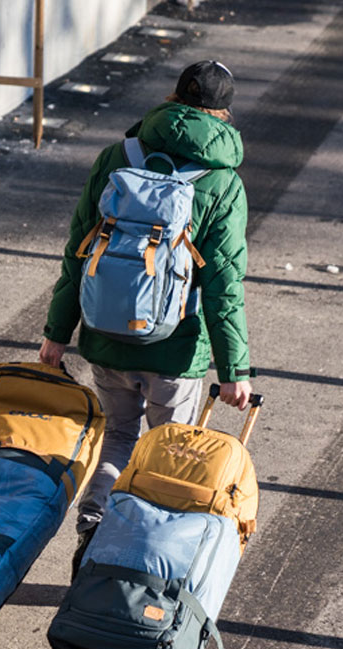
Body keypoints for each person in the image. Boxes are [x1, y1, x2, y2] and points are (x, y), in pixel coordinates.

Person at [39, 59, 254, 539]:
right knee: (166, 455)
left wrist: (57, 334)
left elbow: (79, 249)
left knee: (117, 438)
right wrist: (234, 371)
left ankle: (93, 523)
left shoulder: (119, 156)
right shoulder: (223, 182)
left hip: (106, 332)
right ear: (224, 113)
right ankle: (129, 554)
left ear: (174, 97)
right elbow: (223, 282)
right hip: (175, 349)